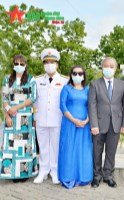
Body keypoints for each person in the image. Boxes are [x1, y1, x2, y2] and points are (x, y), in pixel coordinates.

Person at [89, 57, 124, 188]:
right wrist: (94, 124)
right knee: (97, 151)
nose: (109, 69)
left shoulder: (122, 84)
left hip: (115, 124)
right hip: (99, 125)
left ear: (115, 69)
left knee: (111, 152)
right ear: (102, 68)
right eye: (106, 66)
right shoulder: (94, 84)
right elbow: (92, 105)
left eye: (111, 66)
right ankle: (97, 175)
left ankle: (108, 175)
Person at [33, 48, 68, 184]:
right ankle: (43, 171)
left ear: (57, 64)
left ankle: (54, 171)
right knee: (42, 146)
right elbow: (35, 101)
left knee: (55, 146)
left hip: (57, 119)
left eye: (52, 62)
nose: (49, 64)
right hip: (41, 118)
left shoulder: (64, 80)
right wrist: (35, 118)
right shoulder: (37, 81)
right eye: (46, 62)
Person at [0, 54, 38, 181]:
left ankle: (24, 173)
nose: (19, 66)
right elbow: (4, 99)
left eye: (22, 64)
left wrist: (16, 107)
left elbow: (32, 98)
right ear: (13, 65)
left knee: (24, 145)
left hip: (24, 119)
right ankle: (12, 173)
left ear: (25, 65)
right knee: (11, 146)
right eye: (16, 64)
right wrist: (7, 115)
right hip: (11, 118)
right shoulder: (7, 79)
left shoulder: (31, 80)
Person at [58, 66, 93, 189]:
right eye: (75, 73)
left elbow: (91, 105)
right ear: (71, 75)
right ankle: (68, 177)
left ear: (83, 76)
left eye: (80, 73)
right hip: (69, 123)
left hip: (84, 124)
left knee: (83, 149)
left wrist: (87, 119)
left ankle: (83, 176)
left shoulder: (88, 90)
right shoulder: (66, 88)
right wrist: (73, 120)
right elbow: (62, 106)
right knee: (69, 149)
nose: (77, 75)